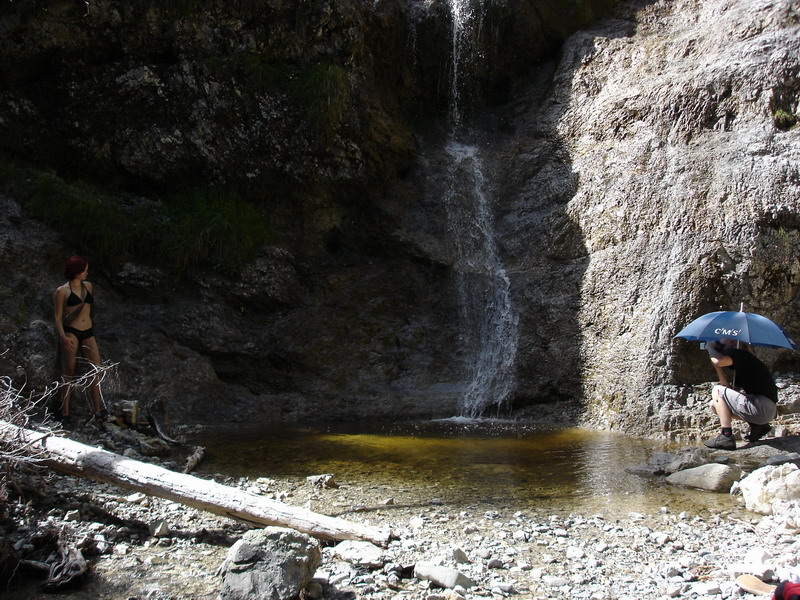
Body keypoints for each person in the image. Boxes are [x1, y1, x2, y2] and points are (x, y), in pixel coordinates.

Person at [53, 255, 105, 423]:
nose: (86, 273)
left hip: (88, 331)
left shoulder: (89, 286)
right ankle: (65, 411)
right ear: (76, 271)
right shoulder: (62, 291)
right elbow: (57, 317)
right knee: (68, 372)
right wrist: (63, 337)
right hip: (71, 332)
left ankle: (97, 409)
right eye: (84, 270)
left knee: (96, 370)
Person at [703, 338, 778, 450]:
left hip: (762, 406)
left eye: (721, 343)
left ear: (733, 342)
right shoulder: (742, 365)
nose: (718, 345)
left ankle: (726, 435)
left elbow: (719, 361)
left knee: (716, 390)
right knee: (714, 405)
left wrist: (709, 348)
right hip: (766, 410)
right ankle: (759, 426)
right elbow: (726, 392)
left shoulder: (742, 354)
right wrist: (718, 369)